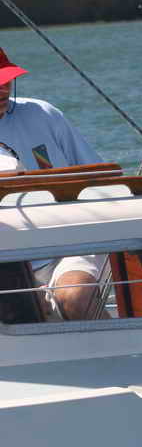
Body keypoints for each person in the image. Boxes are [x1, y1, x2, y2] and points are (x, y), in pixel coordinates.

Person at [0, 47, 106, 321]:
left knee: (76, 299)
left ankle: (125, 350)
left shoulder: (42, 114)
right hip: (7, 262)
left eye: (7, 80)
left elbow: (99, 179)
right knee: (22, 310)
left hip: (69, 245)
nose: (3, 89)